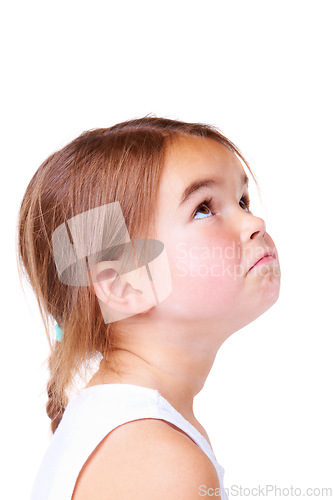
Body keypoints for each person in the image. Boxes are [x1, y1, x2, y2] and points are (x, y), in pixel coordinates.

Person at [17, 116, 281, 499]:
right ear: (124, 284)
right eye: (204, 208)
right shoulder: (157, 459)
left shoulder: (134, 432)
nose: (254, 221)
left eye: (242, 200)